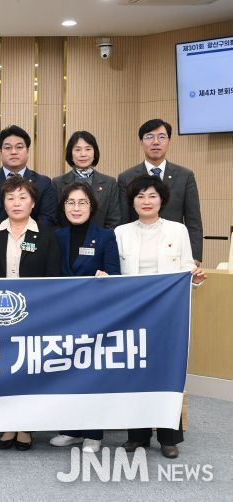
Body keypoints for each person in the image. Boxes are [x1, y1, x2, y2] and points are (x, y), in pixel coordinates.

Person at [115, 174, 205, 459]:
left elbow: (187, 267)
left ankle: (169, 437)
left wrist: (195, 278)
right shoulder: (120, 232)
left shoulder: (178, 231)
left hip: (167, 314)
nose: (146, 201)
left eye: (152, 196)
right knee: (134, 372)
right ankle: (137, 436)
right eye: (140, 196)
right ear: (132, 202)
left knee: (167, 372)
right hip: (132, 314)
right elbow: (116, 274)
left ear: (162, 200)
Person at [0, 175, 61, 451]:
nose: (16, 203)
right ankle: (7, 423)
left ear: (33, 203)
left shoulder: (46, 235)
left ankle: (26, 426)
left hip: (34, 315)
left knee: (28, 370)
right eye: (11, 197)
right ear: (3, 203)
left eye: (23, 197)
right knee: (3, 369)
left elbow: (52, 277)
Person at [48, 181, 120, 454]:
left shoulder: (105, 237)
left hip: (94, 316)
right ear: (63, 207)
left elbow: (115, 274)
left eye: (82, 203)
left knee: (92, 374)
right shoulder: (56, 236)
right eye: (70, 203)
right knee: (66, 372)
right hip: (63, 315)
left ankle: (93, 434)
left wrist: (106, 276)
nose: (76, 208)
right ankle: (71, 430)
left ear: (92, 206)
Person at [118, 119, 203, 264]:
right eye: (149, 137)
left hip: (173, 250)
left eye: (162, 137)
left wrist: (194, 257)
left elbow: (193, 219)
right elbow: (123, 219)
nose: (156, 142)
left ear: (169, 141)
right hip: (137, 251)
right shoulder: (126, 177)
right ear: (141, 142)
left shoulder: (185, 176)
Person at [0, 125, 57, 233]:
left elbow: (47, 218)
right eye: (8, 148)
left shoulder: (43, 183)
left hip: (32, 241)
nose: (13, 152)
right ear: (0, 152)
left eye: (19, 147)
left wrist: (23, 238)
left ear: (27, 151)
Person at [52, 131, 120, 229]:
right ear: (70, 154)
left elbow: (114, 220)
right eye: (77, 149)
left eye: (88, 149)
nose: (83, 154)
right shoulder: (57, 183)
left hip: (101, 237)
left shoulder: (110, 183)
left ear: (95, 153)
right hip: (65, 237)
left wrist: (102, 238)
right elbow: (54, 219)